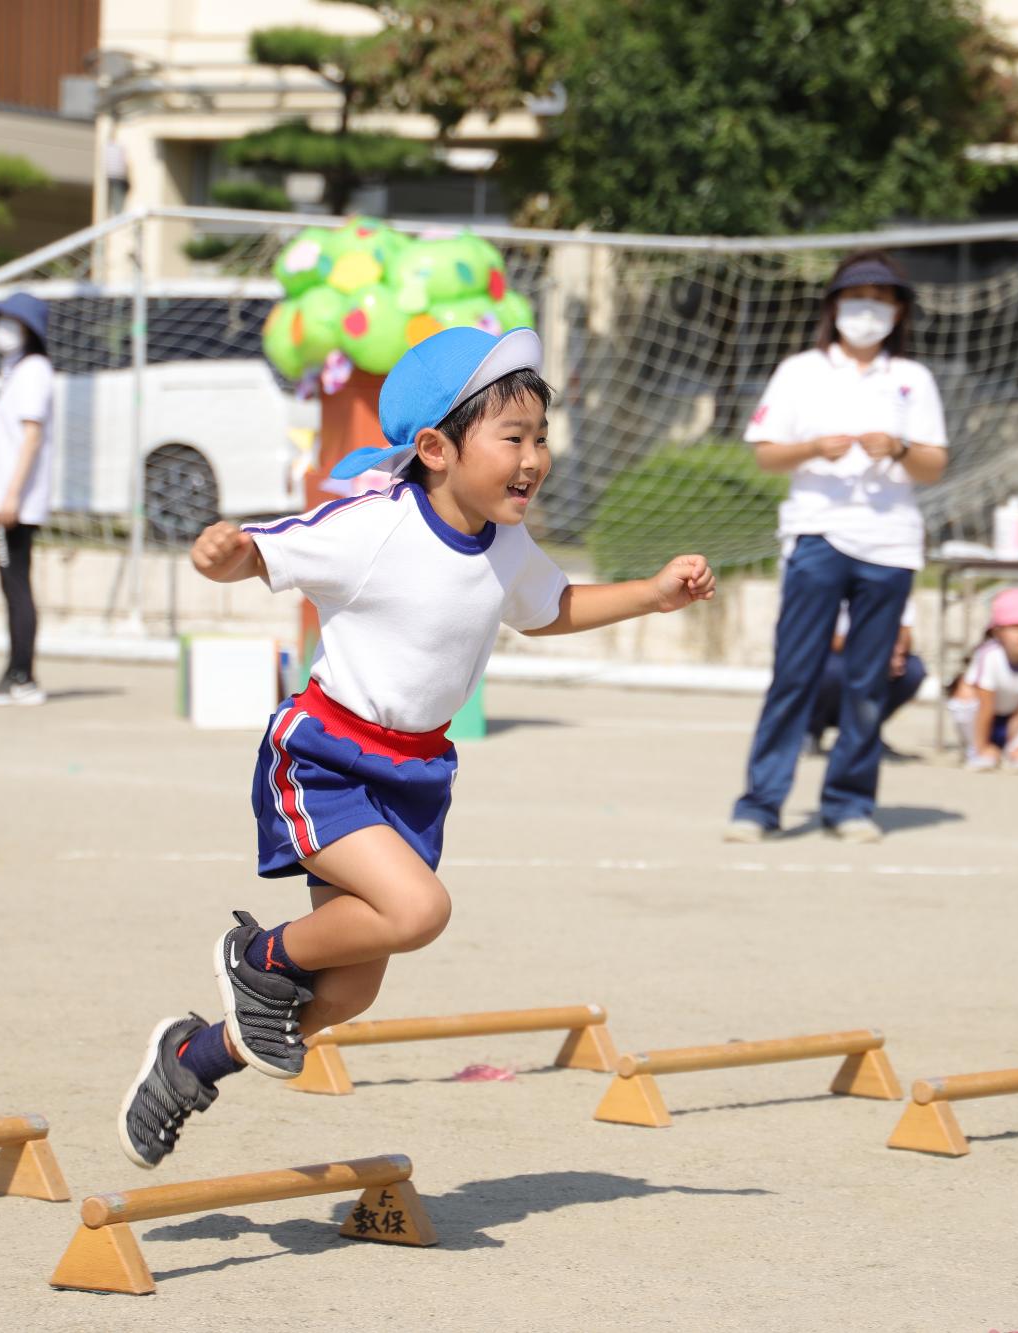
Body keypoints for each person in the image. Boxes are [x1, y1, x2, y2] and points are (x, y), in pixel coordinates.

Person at [112, 326, 715, 1169]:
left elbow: (553, 607)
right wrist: (226, 553)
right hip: (327, 756)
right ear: (435, 447)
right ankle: (255, 955)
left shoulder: (505, 545)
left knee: (349, 989)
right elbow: (265, 550)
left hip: (414, 775)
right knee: (418, 910)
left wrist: (651, 594)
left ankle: (191, 1060)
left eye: (541, 437)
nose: (535, 457)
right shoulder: (375, 526)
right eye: (514, 438)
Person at [725, 250, 949, 845]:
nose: (867, 312)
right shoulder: (801, 370)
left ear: (899, 310)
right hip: (817, 532)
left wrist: (898, 448)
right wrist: (813, 449)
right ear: (834, 307)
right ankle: (760, 804)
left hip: (891, 544)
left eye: (881, 300)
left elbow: (935, 464)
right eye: (857, 298)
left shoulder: (913, 380)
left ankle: (849, 804)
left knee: (868, 682)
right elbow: (766, 451)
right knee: (793, 674)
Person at [0, 293, 54, 708]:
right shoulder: (15, 369)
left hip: (14, 502)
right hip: (5, 498)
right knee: (11, 584)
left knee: (17, 585)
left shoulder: (34, 371)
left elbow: (31, 436)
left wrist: (11, 496)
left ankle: (22, 675)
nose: (2, 328)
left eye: (13, 321)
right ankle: (16, 671)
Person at [947, 587, 1018, 771]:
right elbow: (985, 707)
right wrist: (982, 746)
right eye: (1015, 628)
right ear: (997, 632)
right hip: (984, 717)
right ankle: (975, 748)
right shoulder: (989, 655)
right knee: (964, 697)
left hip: (1015, 719)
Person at [806, 600, 925, 756]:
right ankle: (811, 730)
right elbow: (830, 638)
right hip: (842, 655)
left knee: (912, 671)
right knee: (831, 672)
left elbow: (905, 632)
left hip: (877, 652)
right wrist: (874, 652)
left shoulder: (894, 582)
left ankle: (866, 732)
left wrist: (895, 653)